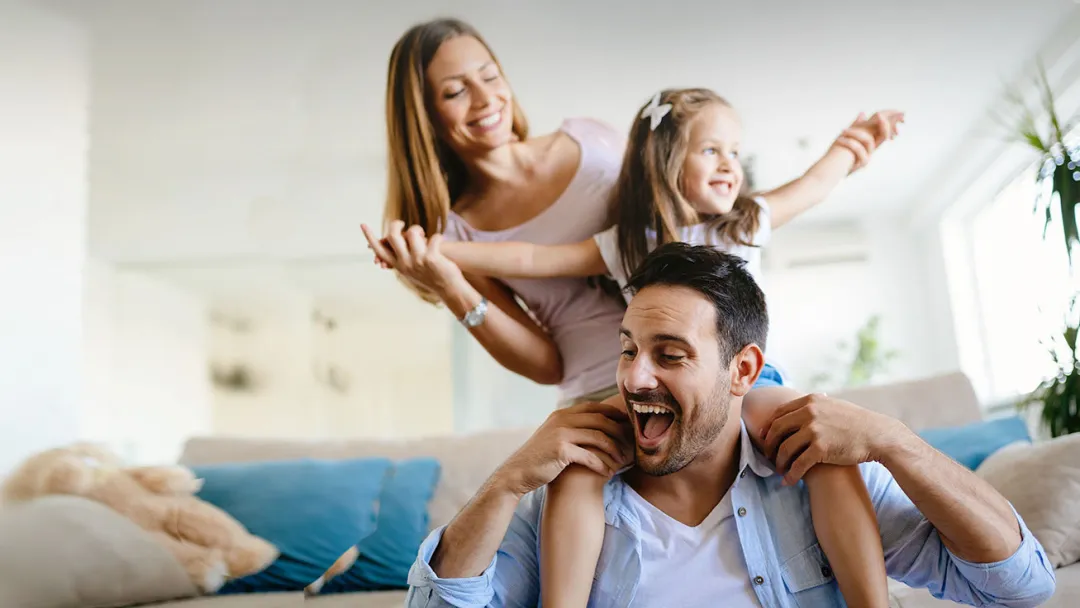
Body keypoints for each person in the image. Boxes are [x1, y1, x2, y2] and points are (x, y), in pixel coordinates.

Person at [369, 88, 903, 606]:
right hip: (646, 400)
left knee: (824, 446)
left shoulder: (747, 219)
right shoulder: (625, 242)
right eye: (712, 150)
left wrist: (851, 146)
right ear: (668, 161)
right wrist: (437, 253)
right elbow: (533, 260)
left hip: (751, 387)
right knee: (578, 465)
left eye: (735, 152)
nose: (730, 165)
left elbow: (813, 184)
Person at [404, 243, 1056, 608]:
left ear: (744, 370)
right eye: (628, 349)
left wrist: (896, 442)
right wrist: (505, 483)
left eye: (671, 354)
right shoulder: (565, 494)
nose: (633, 378)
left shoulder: (814, 475)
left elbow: (1021, 585)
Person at [374, 16, 632, 408]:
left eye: (490, 76)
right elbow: (547, 367)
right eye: (456, 91)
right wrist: (451, 286)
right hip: (600, 393)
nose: (484, 99)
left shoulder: (594, 139)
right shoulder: (456, 233)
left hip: (694, 366)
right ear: (426, 118)